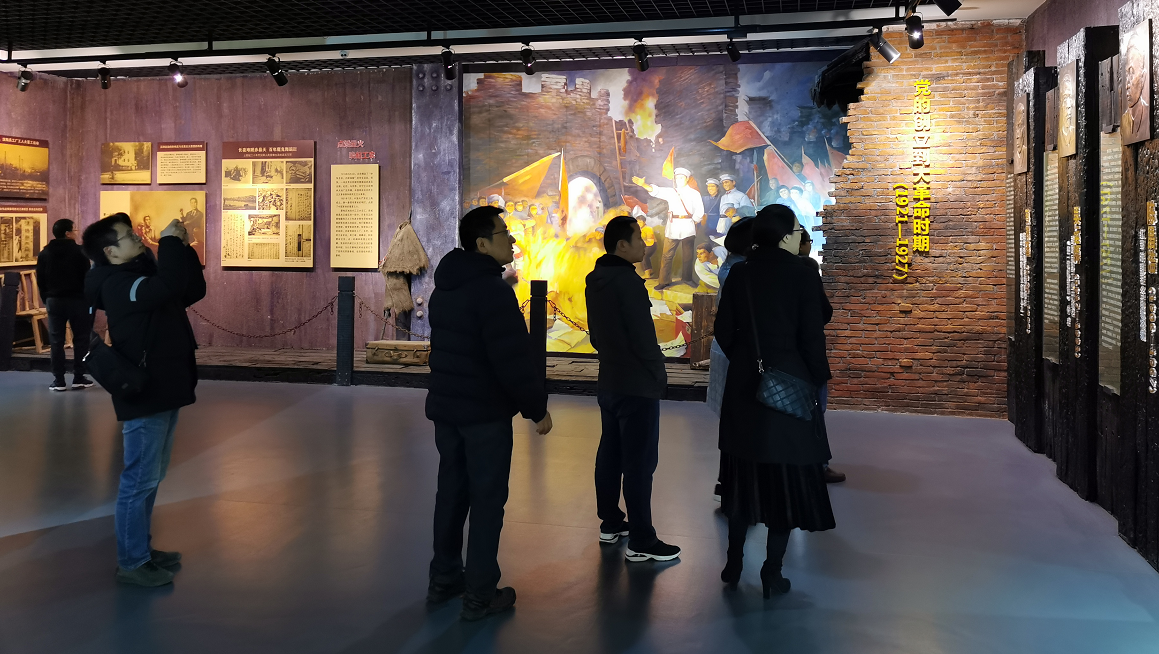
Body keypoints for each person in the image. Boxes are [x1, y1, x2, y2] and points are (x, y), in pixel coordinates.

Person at [425, 206, 553, 621]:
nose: (512, 240)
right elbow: (512, 358)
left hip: (448, 410)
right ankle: (480, 595)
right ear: (482, 243)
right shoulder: (491, 291)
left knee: (451, 494)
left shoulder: (446, 286)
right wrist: (537, 409)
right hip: (483, 414)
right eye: (504, 233)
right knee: (487, 501)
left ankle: (445, 578)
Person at [713, 204, 835, 597]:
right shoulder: (803, 273)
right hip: (788, 389)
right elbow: (813, 335)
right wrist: (814, 377)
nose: (801, 236)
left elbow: (723, 330)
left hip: (745, 389)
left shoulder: (741, 273)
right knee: (784, 484)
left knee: (742, 480)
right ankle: (772, 572)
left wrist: (747, 361)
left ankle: (733, 562)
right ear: (784, 237)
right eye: (798, 230)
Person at [81, 213, 205, 587]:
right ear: (110, 252)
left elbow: (189, 289)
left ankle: (142, 550)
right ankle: (132, 562)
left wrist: (182, 247)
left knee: (151, 477)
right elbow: (166, 286)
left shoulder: (138, 277)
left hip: (162, 388)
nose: (137, 238)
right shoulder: (118, 285)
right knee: (139, 480)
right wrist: (167, 243)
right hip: (145, 393)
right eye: (128, 236)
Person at [585, 216, 680, 562]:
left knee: (610, 454)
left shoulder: (595, 280)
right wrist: (658, 375)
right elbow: (644, 339)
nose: (644, 244)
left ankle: (611, 522)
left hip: (610, 380)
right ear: (622, 245)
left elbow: (596, 335)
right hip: (637, 385)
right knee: (639, 463)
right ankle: (641, 540)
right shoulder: (628, 283)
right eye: (638, 238)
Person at [797, 230, 845, 485]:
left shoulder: (751, 270)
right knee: (816, 408)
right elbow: (824, 312)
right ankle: (818, 465)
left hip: (780, 356)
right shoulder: (807, 269)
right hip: (809, 352)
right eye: (808, 241)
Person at [36, 218, 95, 391]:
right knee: (81, 339)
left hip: (54, 302)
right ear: (68, 233)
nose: (76, 233)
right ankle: (78, 377)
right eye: (74, 230)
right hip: (78, 301)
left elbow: (41, 280)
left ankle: (59, 380)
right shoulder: (81, 252)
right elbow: (87, 277)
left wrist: (47, 298)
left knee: (56, 341)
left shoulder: (45, 253)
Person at [632, 168, 704, 290]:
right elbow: (657, 191)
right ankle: (664, 281)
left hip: (687, 225)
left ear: (687, 178)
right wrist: (644, 185)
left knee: (688, 255)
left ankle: (687, 279)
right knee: (667, 255)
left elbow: (700, 210)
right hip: (673, 227)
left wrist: (694, 221)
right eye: (677, 178)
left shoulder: (694, 193)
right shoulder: (671, 192)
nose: (679, 180)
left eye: (681, 177)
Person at [702, 178, 721, 243]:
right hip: (706, 224)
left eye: (712, 186)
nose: (710, 188)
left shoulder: (722, 198)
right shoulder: (704, 198)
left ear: (717, 188)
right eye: (708, 186)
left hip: (717, 224)